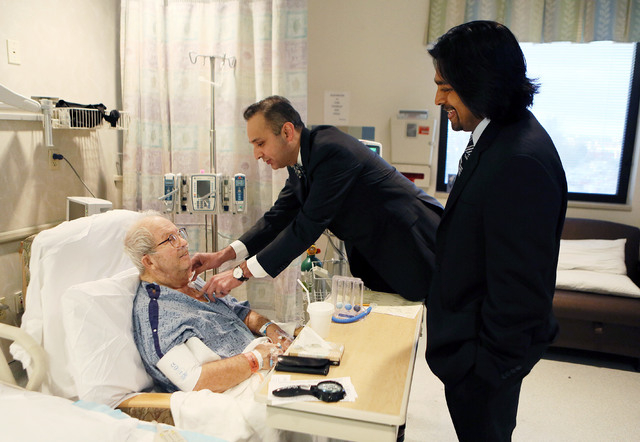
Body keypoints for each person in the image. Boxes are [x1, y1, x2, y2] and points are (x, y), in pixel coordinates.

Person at [425, 21, 568, 441]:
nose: (438, 99)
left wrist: (485, 371)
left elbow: (521, 288)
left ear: (479, 81)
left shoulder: (519, 159)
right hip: (470, 349)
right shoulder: (497, 137)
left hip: (484, 365)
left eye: (446, 87)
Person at [191, 95, 443, 302]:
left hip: (413, 242)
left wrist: (239, 273)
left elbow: (306, 227)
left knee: (439, 329)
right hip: (378, 250)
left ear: (287, 132)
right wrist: (223, 256)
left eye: (260, 143)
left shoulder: (330, 151)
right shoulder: (302, 161)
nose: (257, 154)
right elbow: (276, 219)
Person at [124, 213, 292, 394]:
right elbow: (193, 380)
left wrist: (275, 332)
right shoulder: (157, 315)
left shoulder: (192, 283)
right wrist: (257, 357)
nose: (183, 242)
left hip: (270, 362)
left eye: (180, 233)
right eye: (170, 239)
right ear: (149, 261)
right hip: (240, 390)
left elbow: (241, 313)